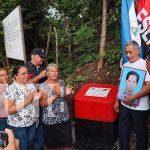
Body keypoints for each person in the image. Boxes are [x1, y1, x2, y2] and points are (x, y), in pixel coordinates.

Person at [114, 40, 150, 150]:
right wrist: (116, 100)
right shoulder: (125, 65)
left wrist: (133, 97)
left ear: (138, 51)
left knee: (141, 134)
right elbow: (121, 84)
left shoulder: (145, 65)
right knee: (123, 131)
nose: (128, 55)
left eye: (130, 52)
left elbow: (149, 86)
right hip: (125, 104)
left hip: (140, 107)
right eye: (126, 52)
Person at [4, 65, 41, 150]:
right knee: (23, 146)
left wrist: (37, 98)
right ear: (15, 76)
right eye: (23, 74)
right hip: (18, 125)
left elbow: (34, 103)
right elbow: (9, 111)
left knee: (30, 144)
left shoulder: (30, 85)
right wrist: (27, 100)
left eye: (27, 73)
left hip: (32, 121)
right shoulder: (11, 89)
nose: (27, 75)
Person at [39, 63, 73, 150]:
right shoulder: (43, 86)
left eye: (56, 71)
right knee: (53, 146)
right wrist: (55, 95)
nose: (55, 73)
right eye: (52, 71)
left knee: (68, 144)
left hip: (64, 118)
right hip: (51, 120)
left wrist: (68, 94)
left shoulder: (61, 82)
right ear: (47, 73)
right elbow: (43, 104)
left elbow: (68, 99)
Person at [25, 48, 47, 150]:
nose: (43, 58)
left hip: (43, 100)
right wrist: (39, 77)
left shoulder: (44, 67)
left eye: (43, 56)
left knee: (42, 123)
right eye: (41, 56)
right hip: (30, 102)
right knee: (32, 124)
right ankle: (30, 146)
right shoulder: (25, 67)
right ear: (33, 56)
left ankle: (39, 145)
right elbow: (23, 84)